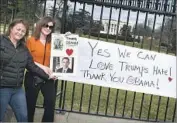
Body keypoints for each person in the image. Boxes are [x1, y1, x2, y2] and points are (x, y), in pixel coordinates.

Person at [0, 19, 53, 122]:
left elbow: (32, 66)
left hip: (17, 89)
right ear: (11, 28)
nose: (20, 33)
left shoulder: (23, 48)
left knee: (24, 117)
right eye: (18, 29)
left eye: (23, 31)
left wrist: (48, 76)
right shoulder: (1, 41)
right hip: (2, 88)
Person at [24, 16, 56, 122]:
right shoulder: (31, 41)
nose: (48, 28)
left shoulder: (53, 42)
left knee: (50, 102)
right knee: (30, 103)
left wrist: (68, 37)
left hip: (48, 76)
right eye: (46, 25)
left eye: (50, 27)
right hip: (33, 76)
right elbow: (27, 60)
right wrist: (43, 67)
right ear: (40, 25)